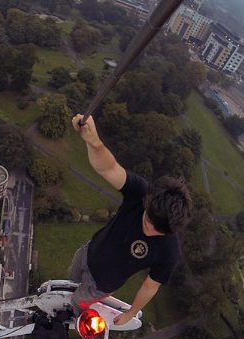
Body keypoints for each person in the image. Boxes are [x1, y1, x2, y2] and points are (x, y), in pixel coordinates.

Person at [69, 114, 193, 326]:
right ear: (148, 201)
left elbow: (150, 286)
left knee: (76, 301)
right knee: (69, 283)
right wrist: (93, 141)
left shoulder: (170, 251)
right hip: (88, 252)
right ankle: (69, 294)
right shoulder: (141, 192)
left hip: (101, 284)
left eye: (156, 230)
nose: (147, 229)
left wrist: (130, 313)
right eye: (147, 219)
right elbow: (108, 168)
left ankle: (71, 315)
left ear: (170, 231)